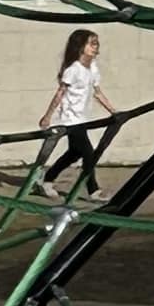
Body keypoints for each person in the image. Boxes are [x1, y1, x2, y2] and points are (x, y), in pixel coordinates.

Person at [39, 29, 108, 193]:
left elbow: (97, 93)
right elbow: (60, 93)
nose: (95, 46)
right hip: (70, 119)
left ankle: (47, 179)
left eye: (96, 43)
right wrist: (47, 116)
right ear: (80, 46)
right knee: (88, 153)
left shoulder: (93, 68)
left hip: (83, 118)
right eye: (91, 43)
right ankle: (93, 189)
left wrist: (114, 111)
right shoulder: (73, 70)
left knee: (74, 153)